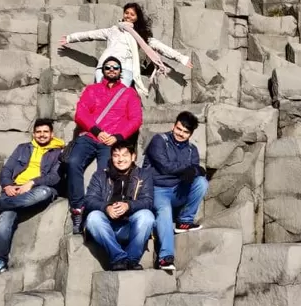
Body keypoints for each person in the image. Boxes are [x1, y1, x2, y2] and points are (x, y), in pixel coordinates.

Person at [0, 119, 65, 275]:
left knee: (43, 193)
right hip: (14, 189)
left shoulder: (58, 153)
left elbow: (54, 178)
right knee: (5, 220)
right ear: (34, 134)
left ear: (52, 134)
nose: (42, 135)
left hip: (39, 188)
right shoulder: (22, 148)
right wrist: (7, 186)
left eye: (45, 132)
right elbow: (7, 169)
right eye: (38, 132)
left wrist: (32, 183)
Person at [67, 57, 143, 234]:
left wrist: (117, 136)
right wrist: (95, 130)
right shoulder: (92, 90)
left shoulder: (129, 93)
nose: (111, 70)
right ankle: (78, 209)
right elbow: (81, 113)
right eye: (107, 67)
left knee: (105, 172)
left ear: (120, 71)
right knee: (73, 162)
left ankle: (98, 211)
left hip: (111, 140)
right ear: (103, 70)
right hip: (91, 136)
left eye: (115, 67)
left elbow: (136, 119)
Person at [58, 2, 191, 96]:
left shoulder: (142, 37)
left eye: (132, 14)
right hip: (105, 66)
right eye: (126, 13)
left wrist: (182, 58)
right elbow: (90, 35)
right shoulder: (113, 30)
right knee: (101, 96)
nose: (128, 16)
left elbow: (162, 48)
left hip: (125, 70)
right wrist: (70, 38)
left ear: (137, 17)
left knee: (119, 98)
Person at [144, 111, 208, 271]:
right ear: (174, 125)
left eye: (185, 132)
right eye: (179, 129)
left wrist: (195, 171)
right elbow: (164, 166)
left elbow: (197, 171)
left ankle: (184, 221)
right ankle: (165, 257)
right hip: (158, 189)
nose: (180, 133)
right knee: (164, 211)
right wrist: (189, 169)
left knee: (201, 182)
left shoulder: (192, 150)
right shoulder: (159, 140)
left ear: (190, 134)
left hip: (177, 191)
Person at [83, 143, 157, 271]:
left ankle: (132, 260)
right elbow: (89, 200)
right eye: (116, 155)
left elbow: (148, 201)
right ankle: (118, 258)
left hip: (130, 226)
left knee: (147, 216)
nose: (120, 159)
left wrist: (128, 205)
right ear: (112, 157)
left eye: (124, 155)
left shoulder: (144, 175)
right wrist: (106, 208)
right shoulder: (100, 175)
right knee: (93, 217)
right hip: (106, 228)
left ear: (133, 157)